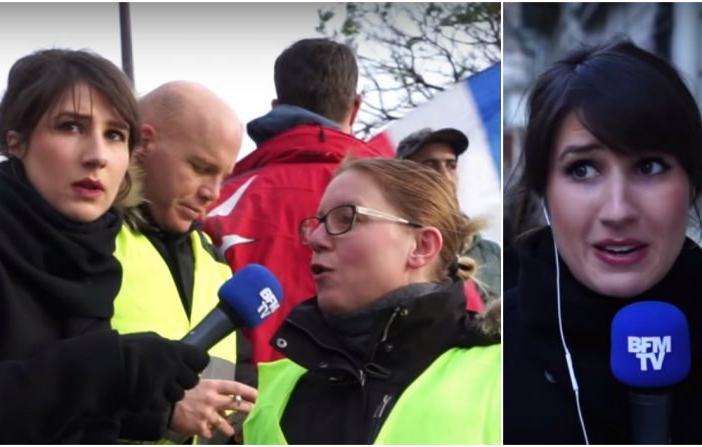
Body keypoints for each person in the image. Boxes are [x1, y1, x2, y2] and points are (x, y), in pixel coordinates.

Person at [504, 40, 702, 444]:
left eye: (649, 166)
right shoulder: (490, 350)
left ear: (692, 182)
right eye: (583, 169)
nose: (618, 210)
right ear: (543, 190)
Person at [0, 49, 209, 443]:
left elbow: (65, 410)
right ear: (16, 140)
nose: (97, 156)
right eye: (70, 127)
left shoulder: (92, 255)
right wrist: (112, 365)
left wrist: (153, 411)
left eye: (115, 135)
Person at [243, 158, 500, 444]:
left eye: (347, 218)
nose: (315, 239)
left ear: (421, 246)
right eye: (317, 223)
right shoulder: (277, 388)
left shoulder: (504, 375)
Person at [202, 38, 390, 366]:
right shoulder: (401, 203)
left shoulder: (212, 202)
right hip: (377, 409)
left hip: (235, 408)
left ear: (276, 108)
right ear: (356, 107)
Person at [110, 81, 256, 441]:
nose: (214, 192)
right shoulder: (87, 243)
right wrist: (163, 411)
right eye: (200, 167)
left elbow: (237, 391)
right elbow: (49, 388)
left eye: (223, 176)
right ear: (143, 143)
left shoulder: (217, 266)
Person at [395, 127, 502, 305]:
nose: (444, 176)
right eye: (430, 165)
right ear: (403, 176)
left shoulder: (492, 255)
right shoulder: (389, 246)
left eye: (451, 166)